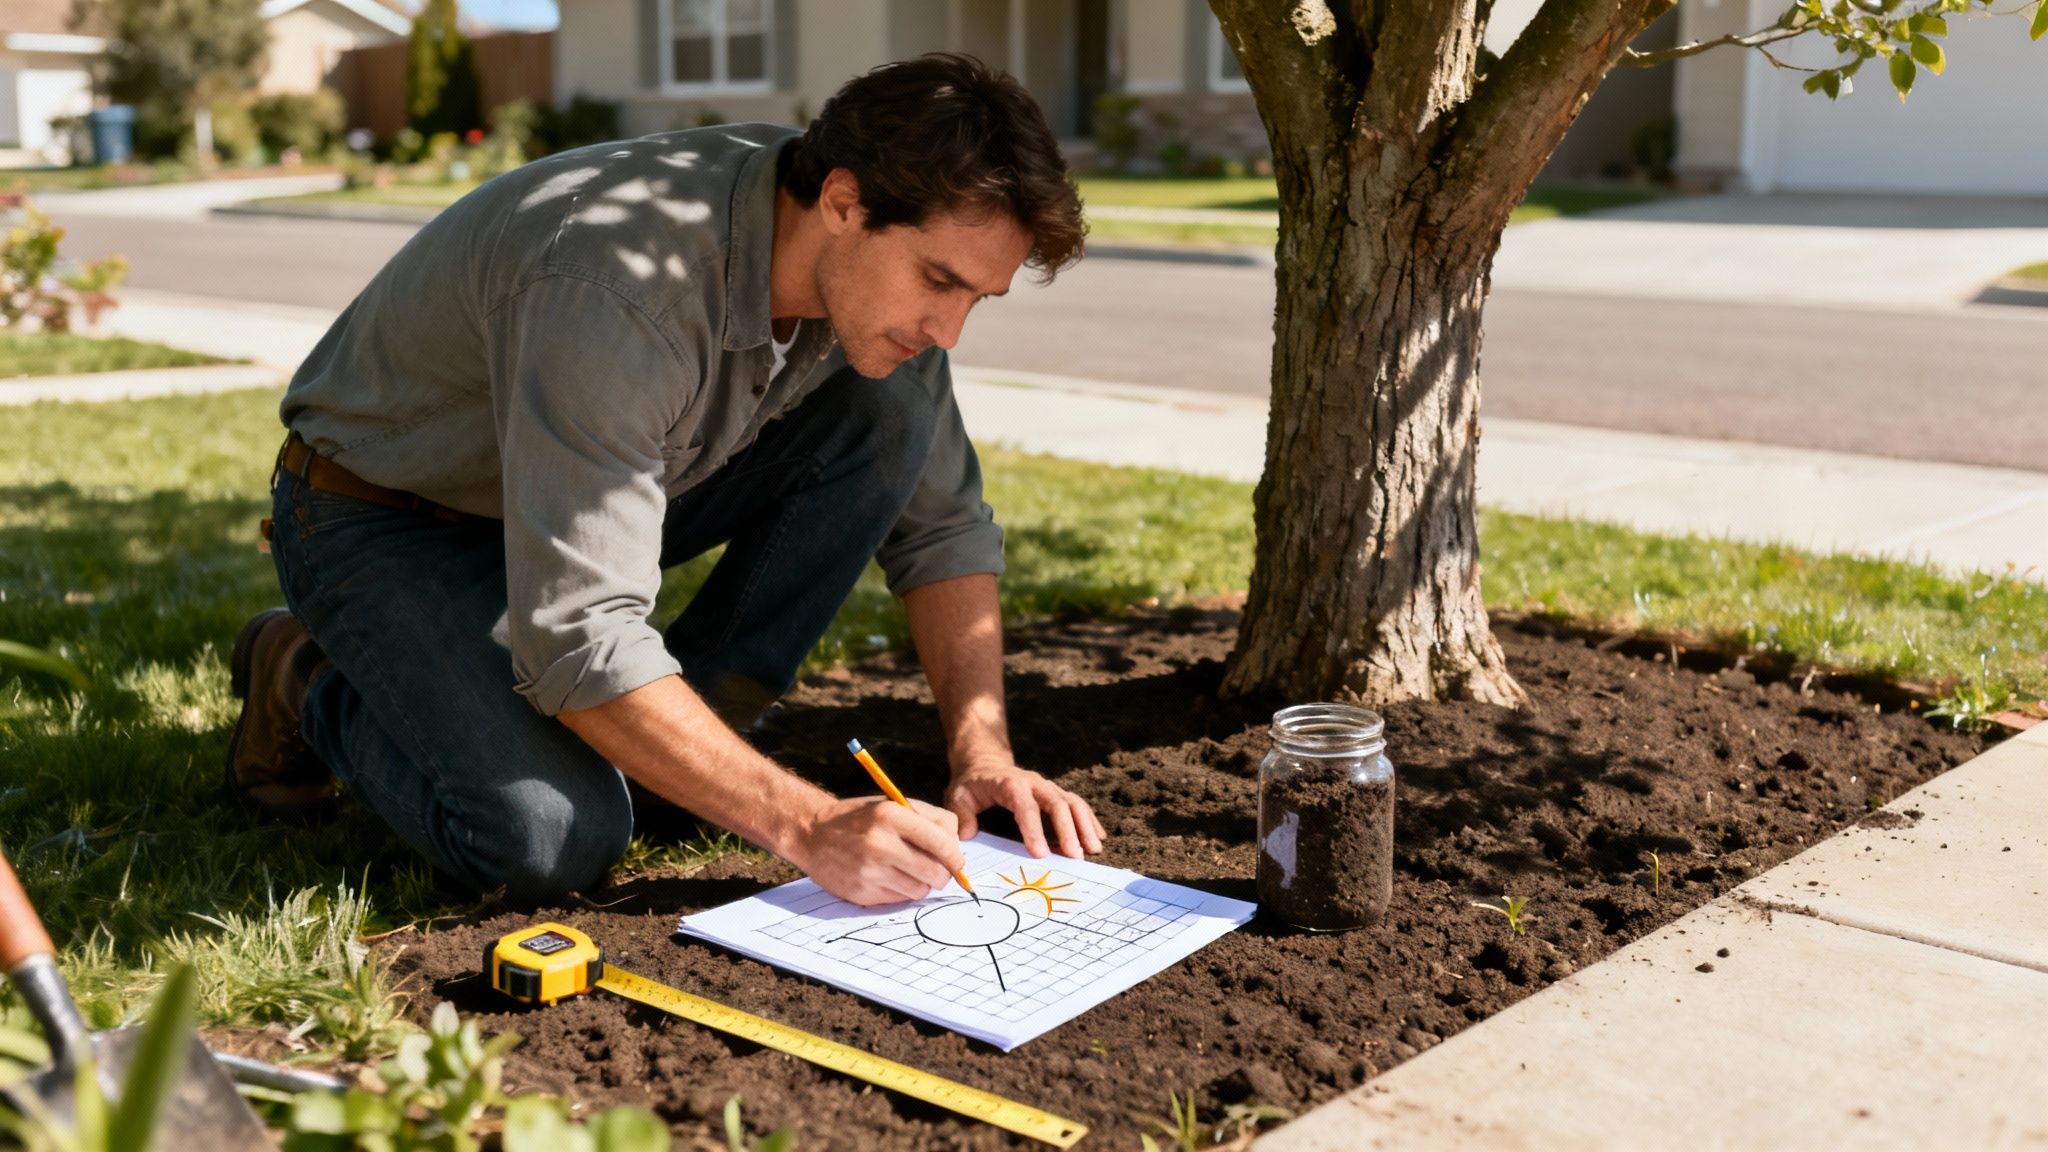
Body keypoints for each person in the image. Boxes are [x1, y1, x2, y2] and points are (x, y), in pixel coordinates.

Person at [224, 53, 1103, 906]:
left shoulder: (867, 282)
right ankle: (302, 675)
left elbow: (942, 527)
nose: (948, 330)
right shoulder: (619, 283)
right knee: (548, 838)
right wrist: (806, 824)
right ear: (843, 201)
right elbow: (578, 635)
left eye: (976, 299)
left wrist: (982, 755)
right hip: (385, 518)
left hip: (578, 489)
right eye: (939, 281)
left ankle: (685, 743)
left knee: (890, 411)